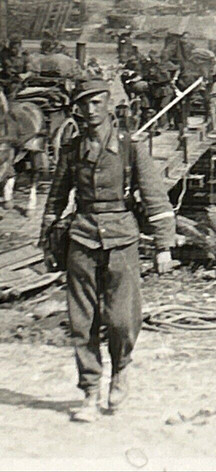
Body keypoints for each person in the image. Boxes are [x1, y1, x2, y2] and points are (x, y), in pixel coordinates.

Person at [38, 79, 176, 423]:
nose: (91, 110)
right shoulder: (71, 149)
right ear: (78, 108)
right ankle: (89, 393)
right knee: (82, 321)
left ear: (109, 104)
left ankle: (120, 370)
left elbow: (155, 197)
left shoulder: (130, 147)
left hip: (122, 239)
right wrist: (47, 241)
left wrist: (163, 245)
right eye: (84, 104)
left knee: (120, 318)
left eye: (97, 102)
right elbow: (56, 198)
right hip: (82, 238)